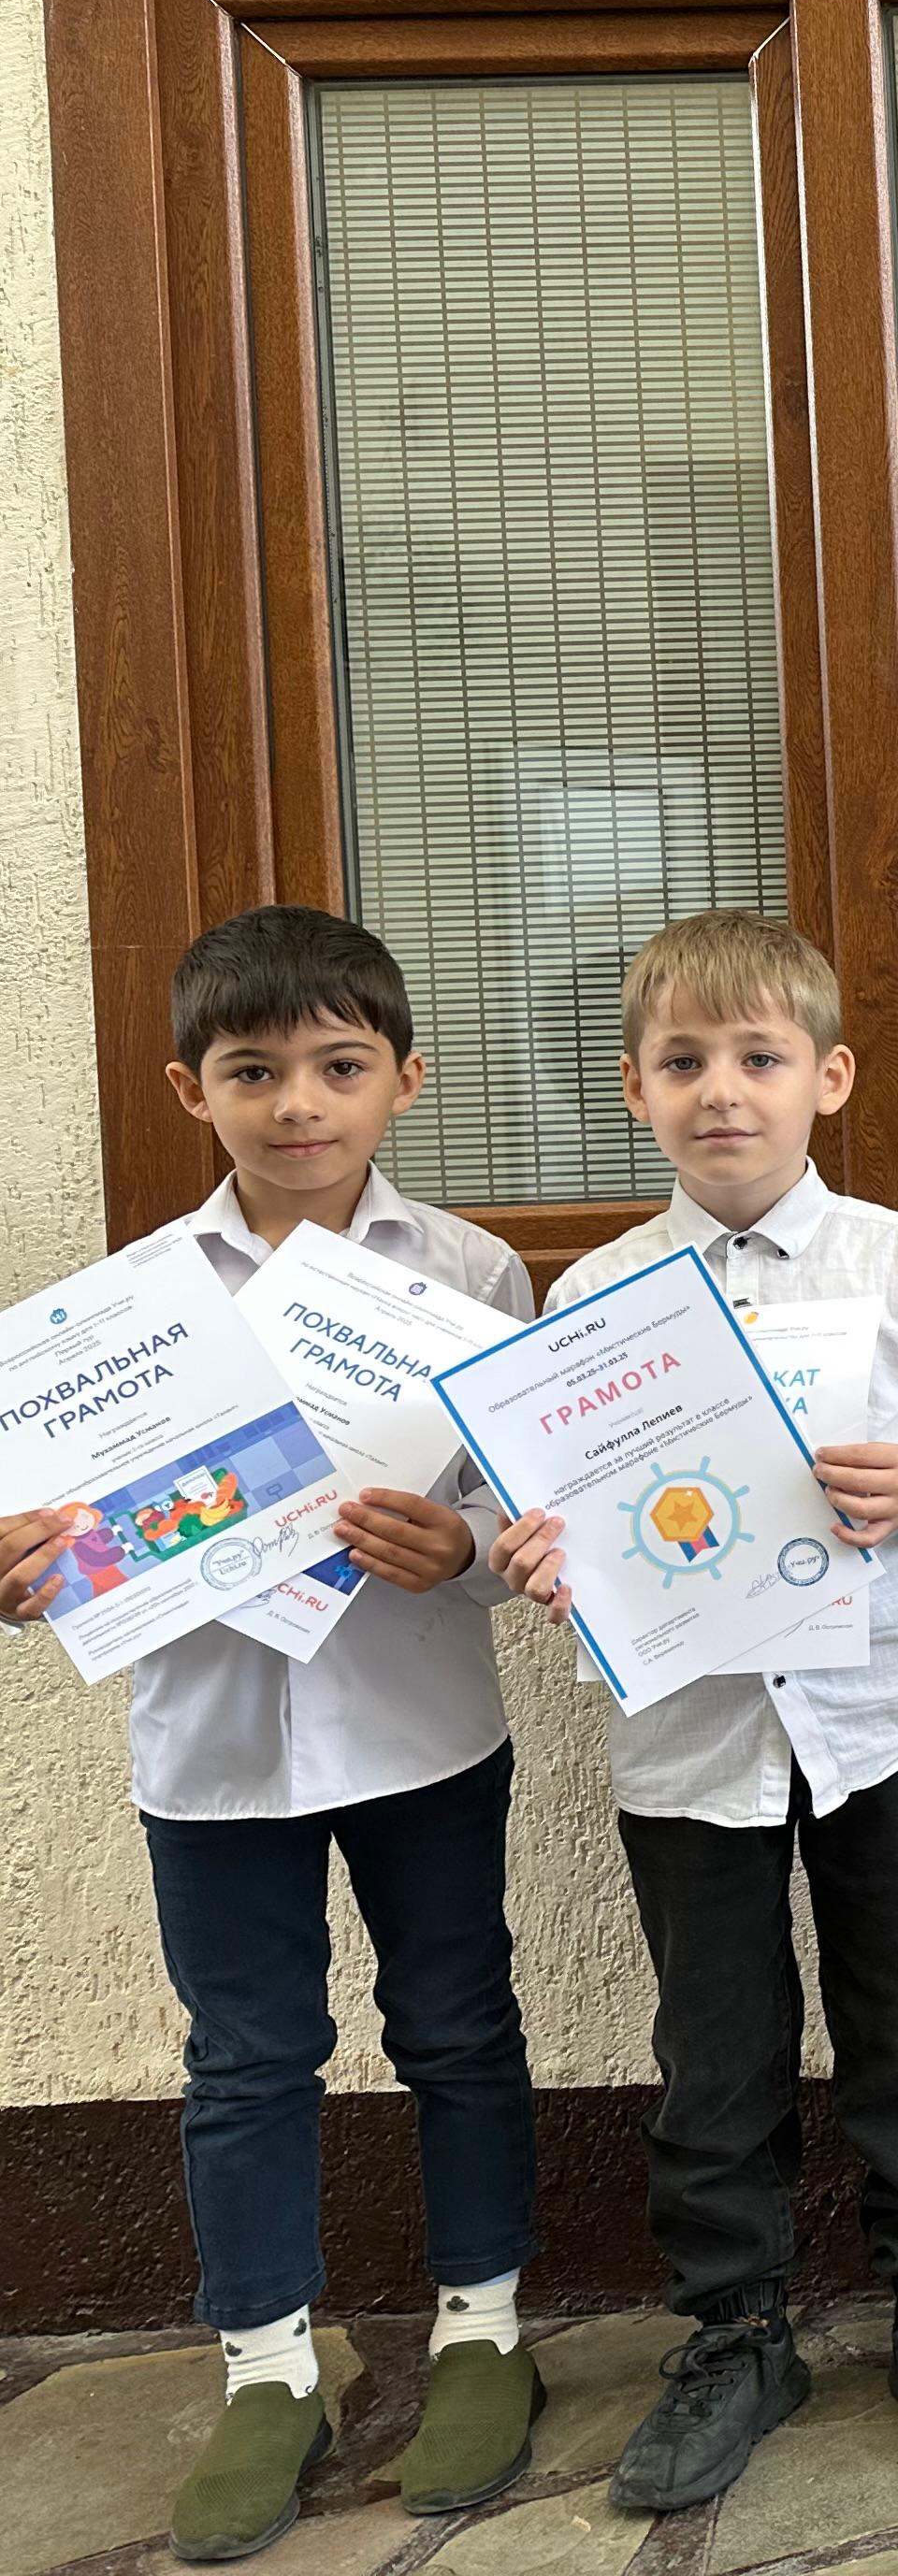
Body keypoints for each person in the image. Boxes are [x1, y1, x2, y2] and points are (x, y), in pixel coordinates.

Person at [0, 909, 541, 2562]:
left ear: (403, 1081)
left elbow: (530, 1516)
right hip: (214, 1749)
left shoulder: (473, 1275)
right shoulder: (119, 1318)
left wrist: (465, 1546)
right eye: (253, 1071)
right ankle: (265, 2365)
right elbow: (62, 1547)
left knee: (458, 2026)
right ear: (192, 1090)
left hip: (422, 1729)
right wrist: (28, 1577)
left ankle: (485, 2328)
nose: (298, 1103)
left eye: (337, 1067)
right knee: (245, 2058)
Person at [496, 911, 898, 2511]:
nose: (721, 1089)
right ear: (634, 1089)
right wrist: (540, 1551)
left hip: (886, 1714)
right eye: (683, 1061)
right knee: (714, 2049)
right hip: (691, 1737)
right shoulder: (596, 1294)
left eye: (758, 1057)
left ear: (828, 1078)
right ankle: (737, 2331)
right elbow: (550, 1497)